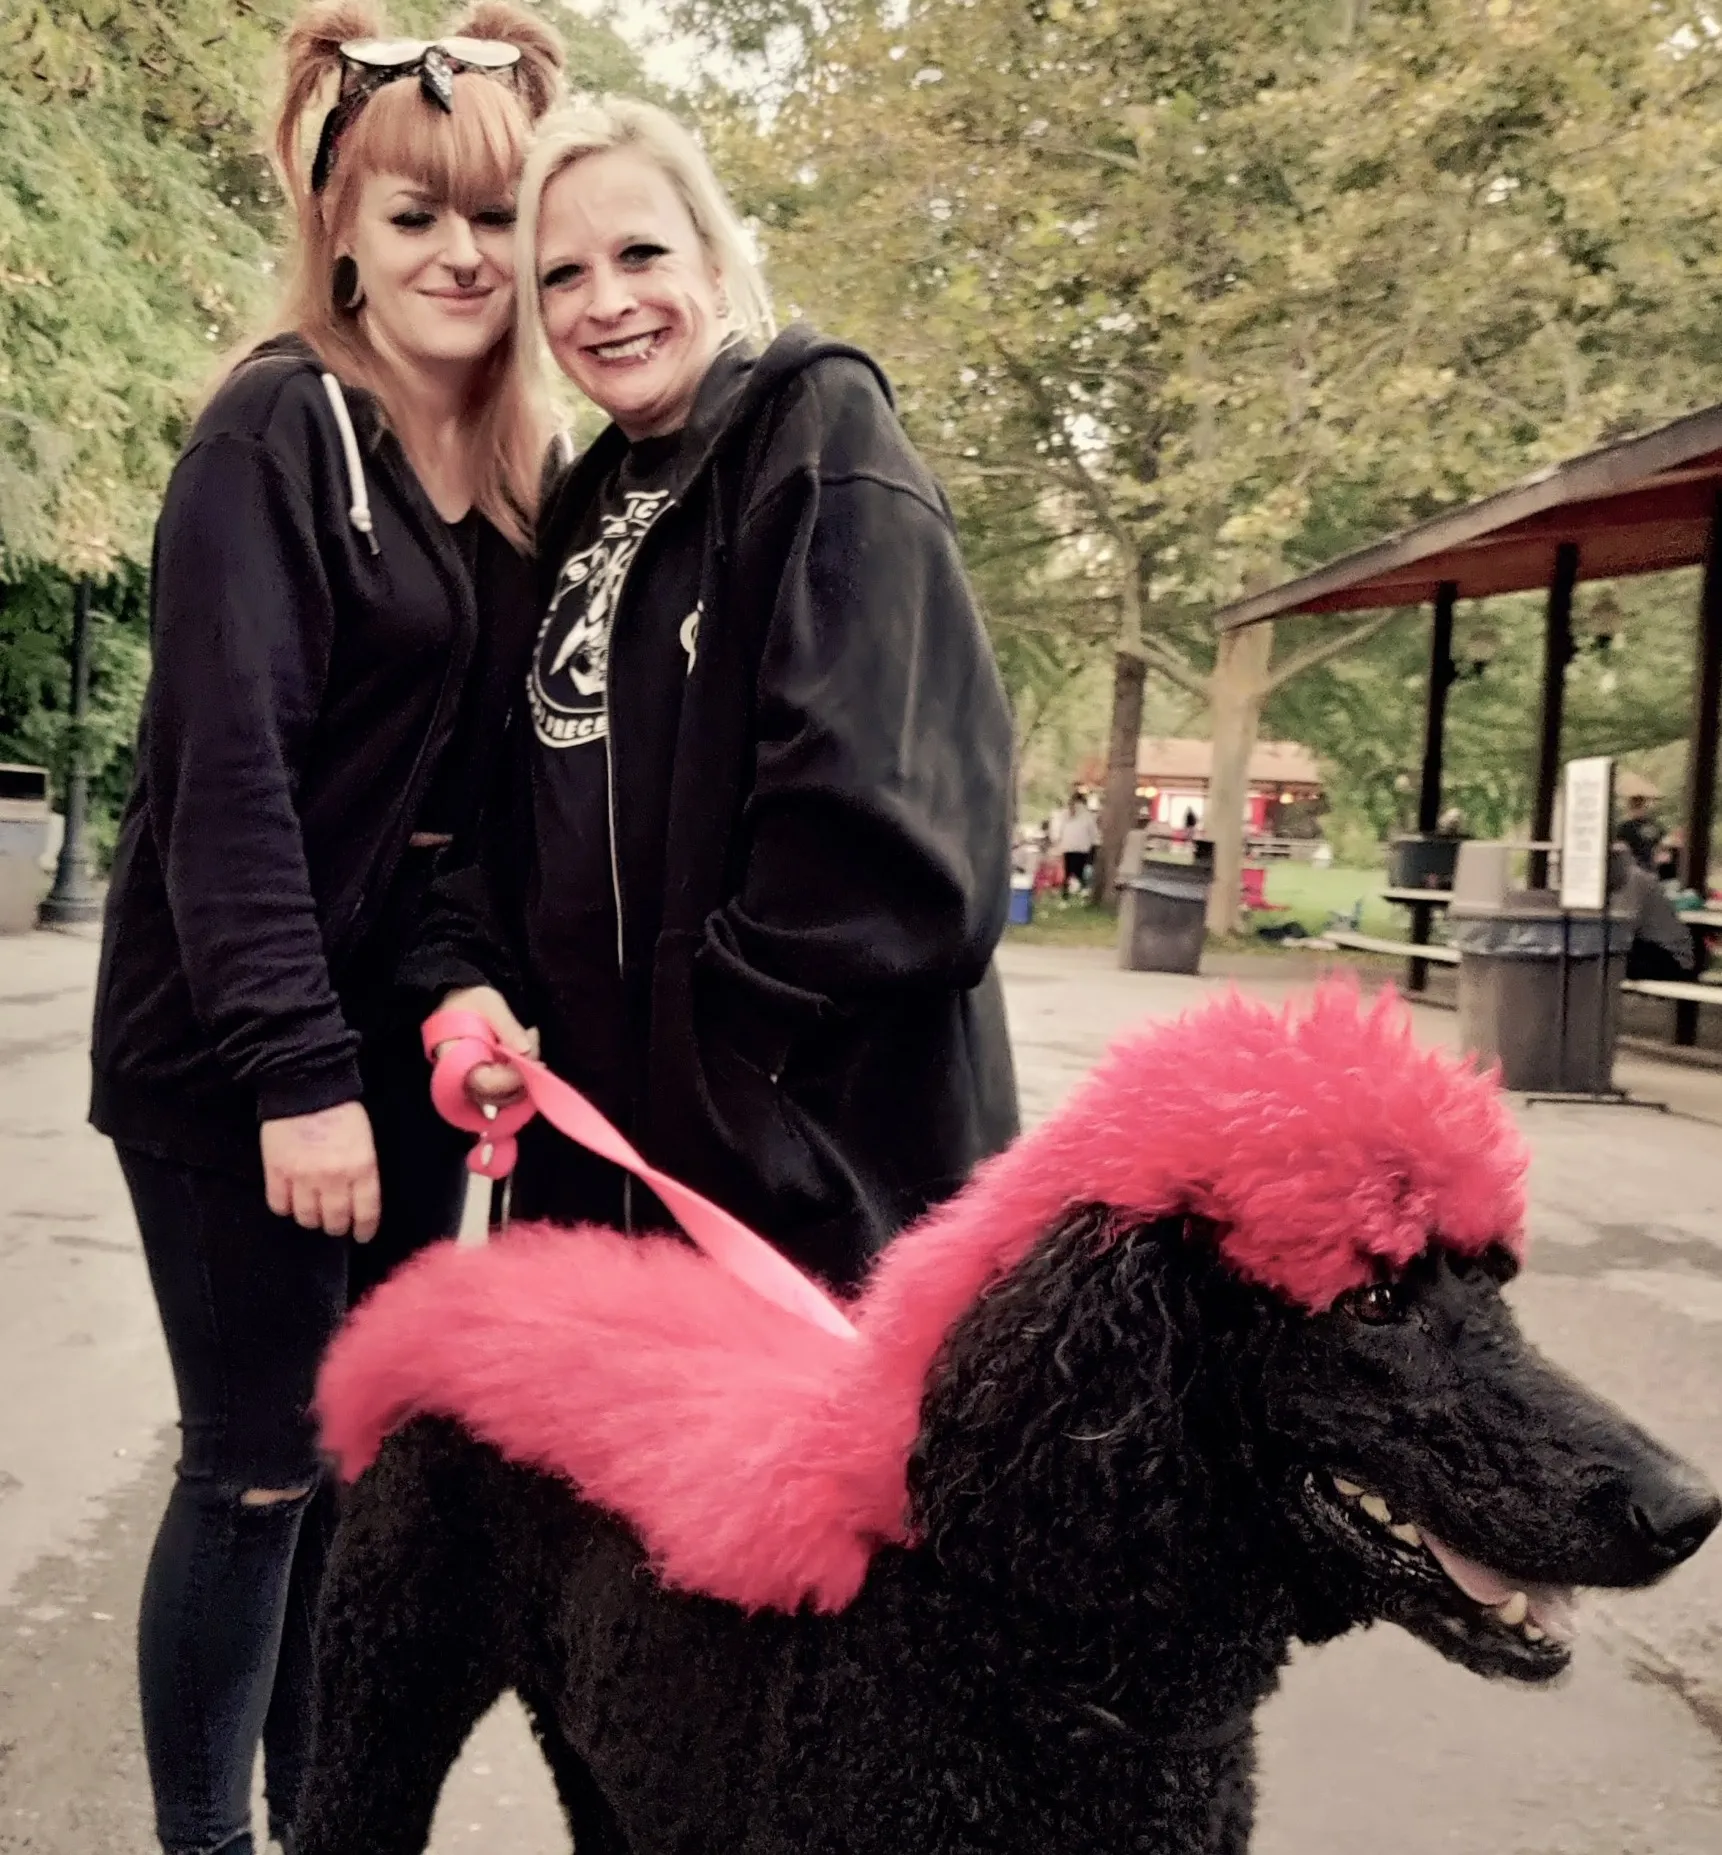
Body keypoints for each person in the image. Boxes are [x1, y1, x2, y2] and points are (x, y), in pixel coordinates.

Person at [87, 6, 563, 1851]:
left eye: (497, 218)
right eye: (416, 213)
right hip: (231, 1055)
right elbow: (228, 783)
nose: (461, 253)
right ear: (339, 225)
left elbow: (463, 816)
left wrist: (451, 1008)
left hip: (393, 1060)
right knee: (260, 1473)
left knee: (356, 1473)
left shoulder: (515, 473)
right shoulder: (276, 434)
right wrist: (294, 1072)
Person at [406, 95, 1019, 1289]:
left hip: (808, 1186)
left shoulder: (821, 433)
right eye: (563, 276)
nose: (607, 301)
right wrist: (466, 974)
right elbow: (535, 815)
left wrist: (706, 1068)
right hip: (601, 1179)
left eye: (641, 254)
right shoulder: (584, 504)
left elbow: (888, 838)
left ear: (715, 255)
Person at [1055, 787, 1099, 894]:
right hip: (1082, 847)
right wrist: (1095, 843)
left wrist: (1059, 842)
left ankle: (1066, 892)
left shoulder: (1066, 813)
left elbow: (1058, 830)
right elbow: (1093, 833)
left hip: (1068, 846)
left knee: (1068, 871)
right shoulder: (1088, 815)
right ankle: (1080, 890)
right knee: (1080, 871)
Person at [1617, 792, 1664, 872]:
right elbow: (1660, 844)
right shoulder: (1654, 825)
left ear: (1630, 808)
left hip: (1633, 868)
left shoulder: (1625, 826)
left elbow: (1620, 847)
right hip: (1649, 867)